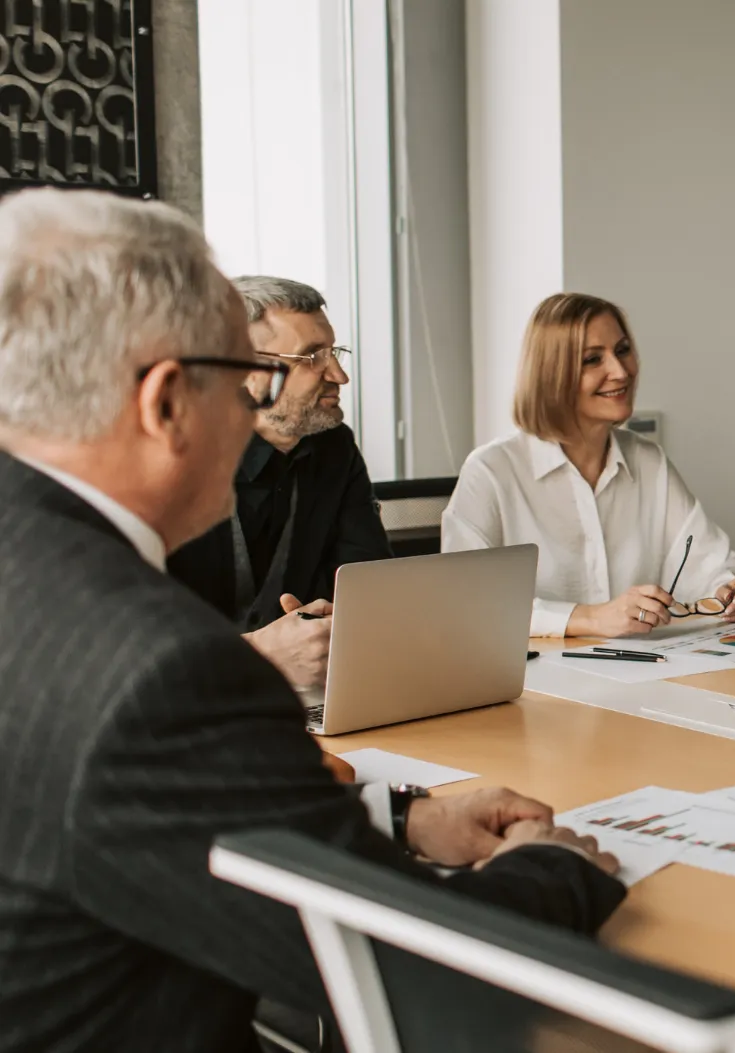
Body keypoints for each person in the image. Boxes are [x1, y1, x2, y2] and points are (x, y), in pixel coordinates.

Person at [0, 189, 624, 1053]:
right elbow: (407, 967)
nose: (252, 412)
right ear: (166, 402)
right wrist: (554, 870)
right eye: (242, 380)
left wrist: (392, 814)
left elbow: (159, 816)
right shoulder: (164, 669)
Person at [442, 293, 735, 637]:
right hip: (533, 683)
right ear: (552, 374)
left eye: (622, 350)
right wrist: (591, 618)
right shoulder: (491, 472)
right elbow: (464, 605)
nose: (620, 371)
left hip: (647, 673)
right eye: (593, 359)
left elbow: (712, 564)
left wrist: (733, 589)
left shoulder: (649, 462)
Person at [168, 276, 391, 687]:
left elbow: (370, 587)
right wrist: (260, 653)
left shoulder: (334, 449)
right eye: (311, 358)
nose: (339, 375)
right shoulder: (169, 464)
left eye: (333, 352)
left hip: (310, 697)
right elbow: (131, 646)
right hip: (187, 708)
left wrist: (335, 624)